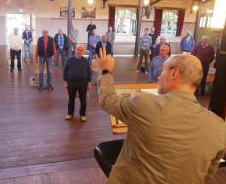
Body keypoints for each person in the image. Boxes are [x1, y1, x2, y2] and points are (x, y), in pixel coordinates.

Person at [97, 48, 226, 184]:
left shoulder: (144, 103)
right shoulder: (219, 128)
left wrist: (106, 71)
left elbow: (107, 99)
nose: (158, 76)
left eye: (162, 70)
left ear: (174, 73)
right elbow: (207, 174)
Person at [63, 45, 91, 122]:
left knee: (83, 100)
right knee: (71, 99)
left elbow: (89, 72)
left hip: (83, 83)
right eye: (78, 50)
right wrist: (65, 81)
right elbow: (65, 71)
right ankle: (70, 114)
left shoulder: (85, 61)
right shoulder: (70, 60)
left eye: (81, 50)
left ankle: (82, 115)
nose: (79, 51)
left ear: (83, 52)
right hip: (71, 83)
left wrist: (89, 82)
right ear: (75, 50)